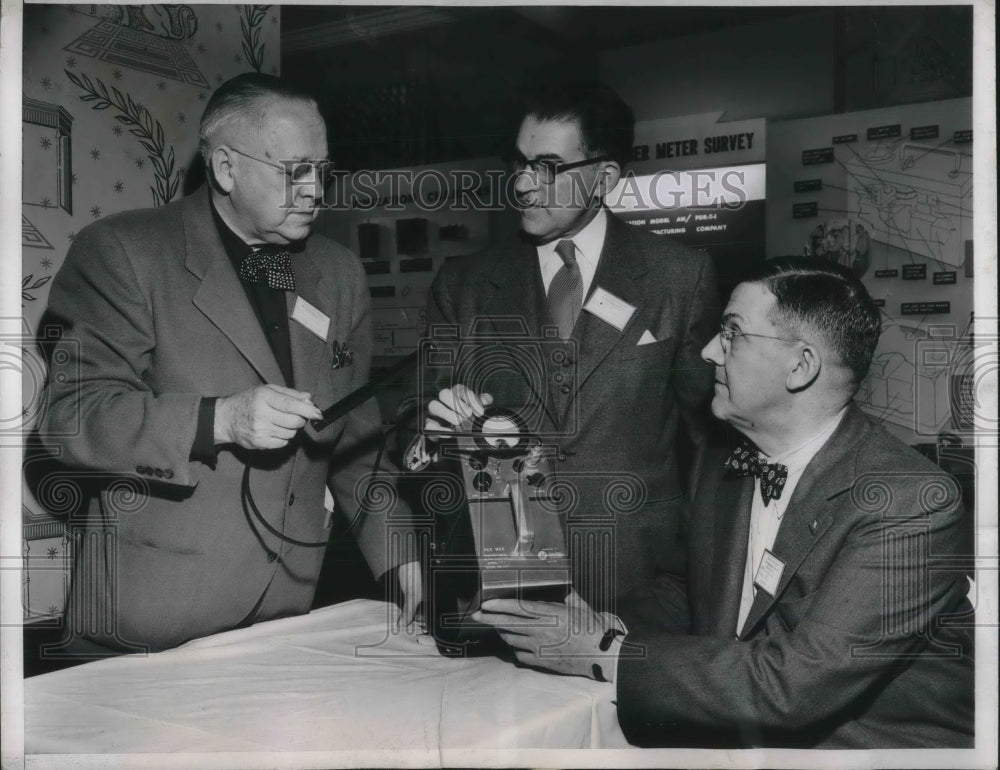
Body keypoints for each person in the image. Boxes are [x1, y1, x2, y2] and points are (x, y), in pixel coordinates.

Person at [474, 258, 975, 748]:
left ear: (800, 366)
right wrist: (604, 623)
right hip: (734, 730)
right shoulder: (724, 462)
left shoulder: (912, 503)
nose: (710, 351)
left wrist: (608, 653)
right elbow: (687, 591)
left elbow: (794, 689)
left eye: (733, 333)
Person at [36, 73, 421, 655]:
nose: (315, 189)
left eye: (322, 168)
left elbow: (356, 446)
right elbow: (72, 418)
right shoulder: (125, 252)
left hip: (285, 622)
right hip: (145, 628)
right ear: (224, 168)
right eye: (294, 171)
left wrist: (402, 564)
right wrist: (223, 420)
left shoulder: (336, 274)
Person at [416, 83, 720, 611]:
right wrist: (429, 429)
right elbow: (418, 419)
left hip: (641, 578)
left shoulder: (679, 277)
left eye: (549, 167)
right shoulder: (464, 284)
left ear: (604, 178)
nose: (525, 185)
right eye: (520, 163)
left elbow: (708, 440)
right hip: (506, 571)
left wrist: (699, 562)